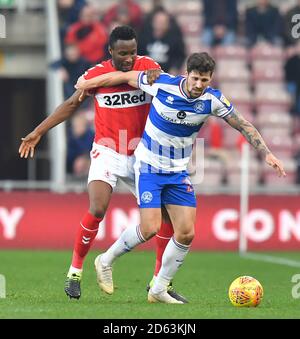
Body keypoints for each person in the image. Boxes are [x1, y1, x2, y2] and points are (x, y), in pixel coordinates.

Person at [75, 52, 286, 303]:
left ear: (211, 79)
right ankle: (105, 260)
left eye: (205, 80)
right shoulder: (162, 84)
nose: (199, 85)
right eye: (195, 78)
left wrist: (267, 153)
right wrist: (88, 84)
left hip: (177, 172)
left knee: (185, 232)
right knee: (151, 227)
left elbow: (243, 125)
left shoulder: (212, 100)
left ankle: (158, 289)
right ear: (187, 74)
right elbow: (123, 77)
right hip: (149, 166)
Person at [18, 25, 187, 303]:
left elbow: (170, 91)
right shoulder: (95, 75)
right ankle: (75, 272)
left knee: (165, 218)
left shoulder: (148, 67)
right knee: (97, 207)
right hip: (108, 151)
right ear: (111, 51)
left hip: (141, 154)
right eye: (122, 53)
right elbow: (72, 104)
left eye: (132, 52)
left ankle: (159, 283)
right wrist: (39, 130)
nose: (129, 59)